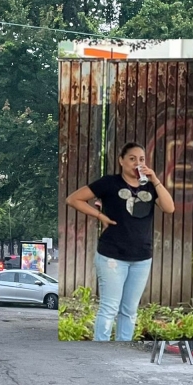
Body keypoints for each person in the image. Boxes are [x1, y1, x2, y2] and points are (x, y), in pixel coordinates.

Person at [65, 142, 175, 341]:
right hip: (112, 256)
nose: (137, 163)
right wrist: (100, 216)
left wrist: (156, 180)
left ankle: (122, 350)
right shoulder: (109, 183)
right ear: (121, 161)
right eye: (132, 158)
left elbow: (169, 208)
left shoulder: (149, 186)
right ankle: (102, 352)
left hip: (142, 257)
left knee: (129, 310)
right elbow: (73, 199)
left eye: (141, 159)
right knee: (109, 307)